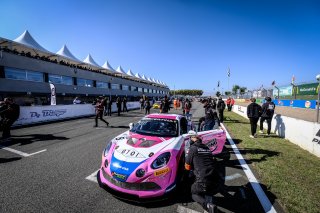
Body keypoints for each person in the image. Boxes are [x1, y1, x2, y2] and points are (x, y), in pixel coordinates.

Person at [184, 130, 219, 213]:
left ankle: (208, 205)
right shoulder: (207, 148)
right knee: (208, 190)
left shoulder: (193, 148)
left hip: (203, 180)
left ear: (192, 139)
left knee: (194, 193)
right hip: (215, 179)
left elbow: (187, 166)